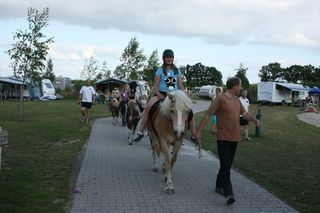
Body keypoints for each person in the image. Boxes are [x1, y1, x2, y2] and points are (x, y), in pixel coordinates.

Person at [195, 77, 260, 205]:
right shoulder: (221, 98)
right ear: (235, 86)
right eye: (240, 86)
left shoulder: (236, 100)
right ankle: (228, 193)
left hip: (235, 137)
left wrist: (254, 120)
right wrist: (198, 131)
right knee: (225, 165)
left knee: (227, 165)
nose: (241, 88)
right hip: (223, 136)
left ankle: (219, 185)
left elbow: (245, 114)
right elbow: (209, 114)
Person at [132, 49, 196, 142]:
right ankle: (140, 132)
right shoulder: (160, 70)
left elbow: (180, 86)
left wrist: (184, 96)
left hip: (175, 96)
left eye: (170, 57)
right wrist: (158, 95)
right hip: (161, 93)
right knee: (148, 107)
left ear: (173, 58)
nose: (169, 59)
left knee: (189, 110)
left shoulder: (177, 71)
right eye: (167, 57)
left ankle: (193, 134)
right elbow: (155, 85)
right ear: (163, 58)